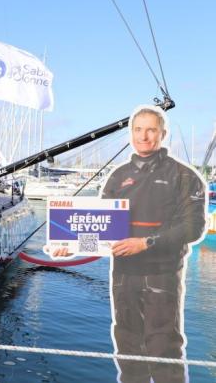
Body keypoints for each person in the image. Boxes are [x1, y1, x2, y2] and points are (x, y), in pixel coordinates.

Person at [101, 106, 206, 383]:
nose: (144, 136)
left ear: (163, 133)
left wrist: (146, 242)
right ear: (131, 133)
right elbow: (99, 226)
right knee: (127, 344)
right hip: (123, 276)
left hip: (161, 274)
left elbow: (193, 227)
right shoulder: (116, 177)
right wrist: (70, 244)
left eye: (151, 130)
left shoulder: (184, 176)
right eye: (138, 129)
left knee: (163, 347)